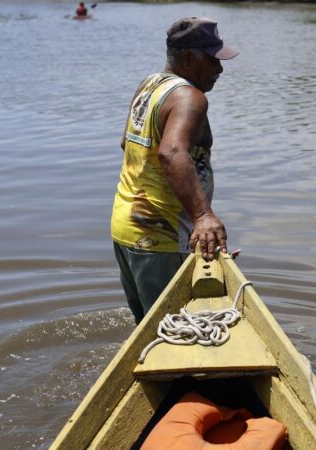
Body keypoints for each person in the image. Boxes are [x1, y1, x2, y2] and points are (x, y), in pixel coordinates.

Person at [111, 17, 238, 323]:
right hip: (161, 238)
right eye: (213, 60)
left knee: (150, 331)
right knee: (175, 335)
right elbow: (171, 152)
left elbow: (126, 143)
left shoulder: (150, 85)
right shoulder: (190, 98)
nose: (219, 69)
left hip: (127, 227)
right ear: (188, 58)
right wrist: (203, 216)